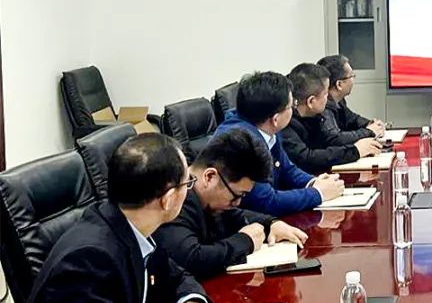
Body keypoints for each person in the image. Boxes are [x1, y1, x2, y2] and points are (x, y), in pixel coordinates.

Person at [2, 134, 248, 303]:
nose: (189, 190)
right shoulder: (88, 257)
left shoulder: (128, 224)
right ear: (168, 199)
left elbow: (177, 275)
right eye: (187, 183)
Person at [153, 129, 309, 279]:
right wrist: (245, 241)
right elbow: (192, 260)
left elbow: (235, 216)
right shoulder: (176, 199)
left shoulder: (207, 198)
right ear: (209, 177)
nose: (237, 203)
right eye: (236, 196)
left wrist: (271, 223)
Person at [213, 71, 344, 216]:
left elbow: (287, 169)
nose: (293, 109)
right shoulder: (241, 144)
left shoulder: (265, 129)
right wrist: (318, 194)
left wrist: (314, 182)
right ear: (275, 119)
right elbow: (267, 202)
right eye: (291, 106)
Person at [281, 63, 382, 175]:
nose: (328, 99)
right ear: (311, 101)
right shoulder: (286, 123)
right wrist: (355, 151)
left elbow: (328, 146)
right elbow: (308, 158)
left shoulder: (314, 116)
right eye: (325, 94)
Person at [316, 54, 386, 145]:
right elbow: (335, 139)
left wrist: (370, 124)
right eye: (352, 76)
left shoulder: (339, 101)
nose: (353, 80)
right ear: (339, 84)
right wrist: (369, 131)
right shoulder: (323, 106)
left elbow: (352, 119)